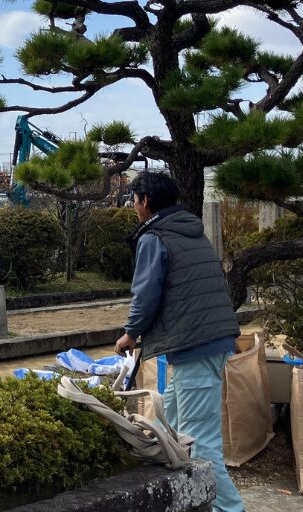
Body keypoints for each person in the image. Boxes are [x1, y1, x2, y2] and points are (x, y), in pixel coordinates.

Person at [114, 172, 244, 512]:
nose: (132, 205)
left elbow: (146, 293)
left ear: (145, 201)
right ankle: (164, 494)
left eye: (134, 199)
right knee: (165, 423)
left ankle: (228, 508)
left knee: (199, 442)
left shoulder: (154, 237)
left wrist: (130, 332)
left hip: (195, 344)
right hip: (207, 341)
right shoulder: (188, 230)